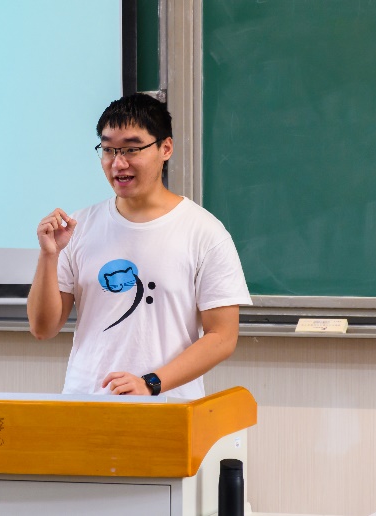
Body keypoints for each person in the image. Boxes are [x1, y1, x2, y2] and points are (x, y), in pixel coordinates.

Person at [27, 93, 251, 399]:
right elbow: (43, 329)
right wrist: (48, 256)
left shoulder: (204, 232)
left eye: (132, 149)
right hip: (86, 402)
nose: (118, 163)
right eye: (108, 150)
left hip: (168, 407)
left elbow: (222, 336)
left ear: (165, 148)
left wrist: (150, 383)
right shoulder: (78, 228)